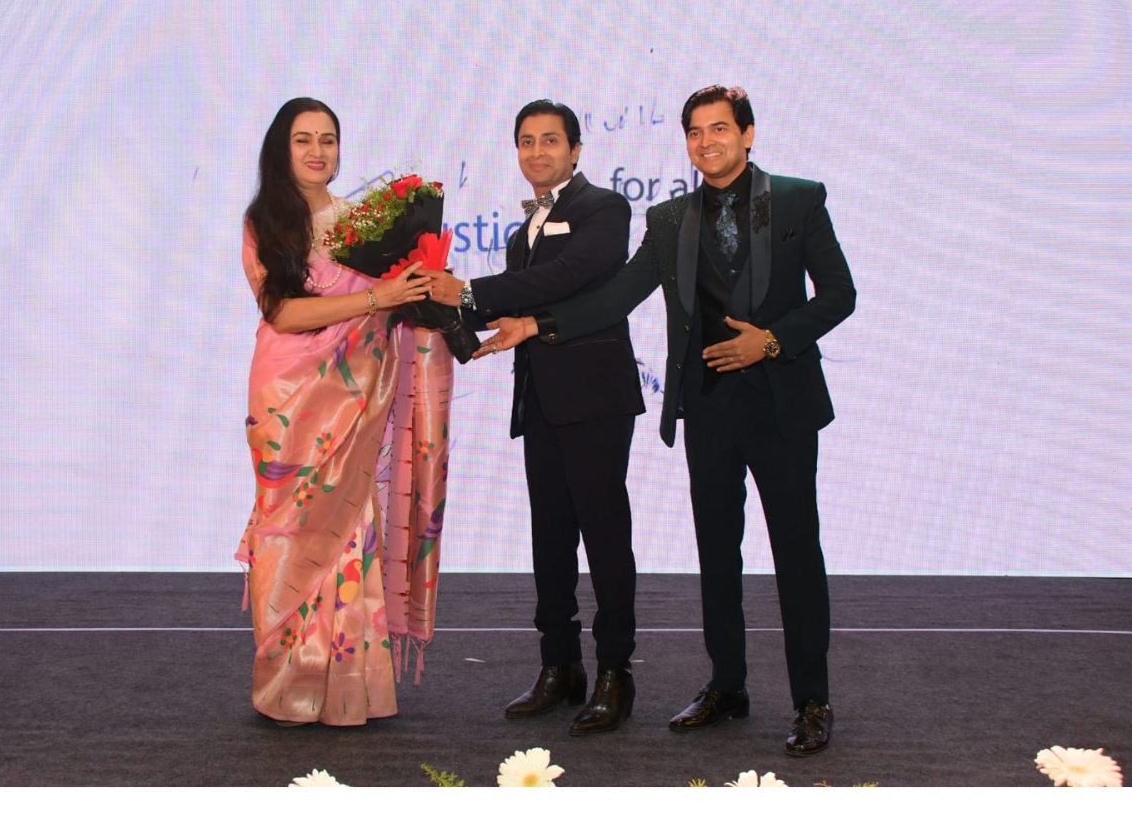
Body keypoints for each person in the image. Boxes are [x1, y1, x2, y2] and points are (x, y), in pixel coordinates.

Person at [487, 86, 855, 755]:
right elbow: (618, 297)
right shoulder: (670, 219)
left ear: (748, 134)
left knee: (797, 556)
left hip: (783, 407)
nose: (706, 141)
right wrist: (537, 324)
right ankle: (727, 686)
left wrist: (769, 340)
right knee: (717, 556)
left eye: (720, 128)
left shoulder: (801, 200)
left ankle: (812, 701)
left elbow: (839, 295)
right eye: (695, 131)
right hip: (708, 407)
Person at [425, 100, 644, 735]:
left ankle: (614, 673)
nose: (538, 152)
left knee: (605, 538)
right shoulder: (522, 233)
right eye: (526, 142)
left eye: (551, 140)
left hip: (596, 400)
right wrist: (430, 308)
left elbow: (571, 276)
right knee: (550, 540)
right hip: (542, 403)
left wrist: (465, 291)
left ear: (576, 150)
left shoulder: (604, 208)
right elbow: (505, 311)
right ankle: (559, 666)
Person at [234, 98, 434, 726]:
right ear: (281, 148)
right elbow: (283, 313)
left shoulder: (363, 224)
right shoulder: (265, 219)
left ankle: (347, 681)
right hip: (288, 400)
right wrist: (376, 295)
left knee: (351, 533)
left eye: (329, 139)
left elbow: (392, 304)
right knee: (288, 529)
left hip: (353, 400)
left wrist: (414, 294)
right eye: (304, 140)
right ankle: (287, 682)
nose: (319, 151)